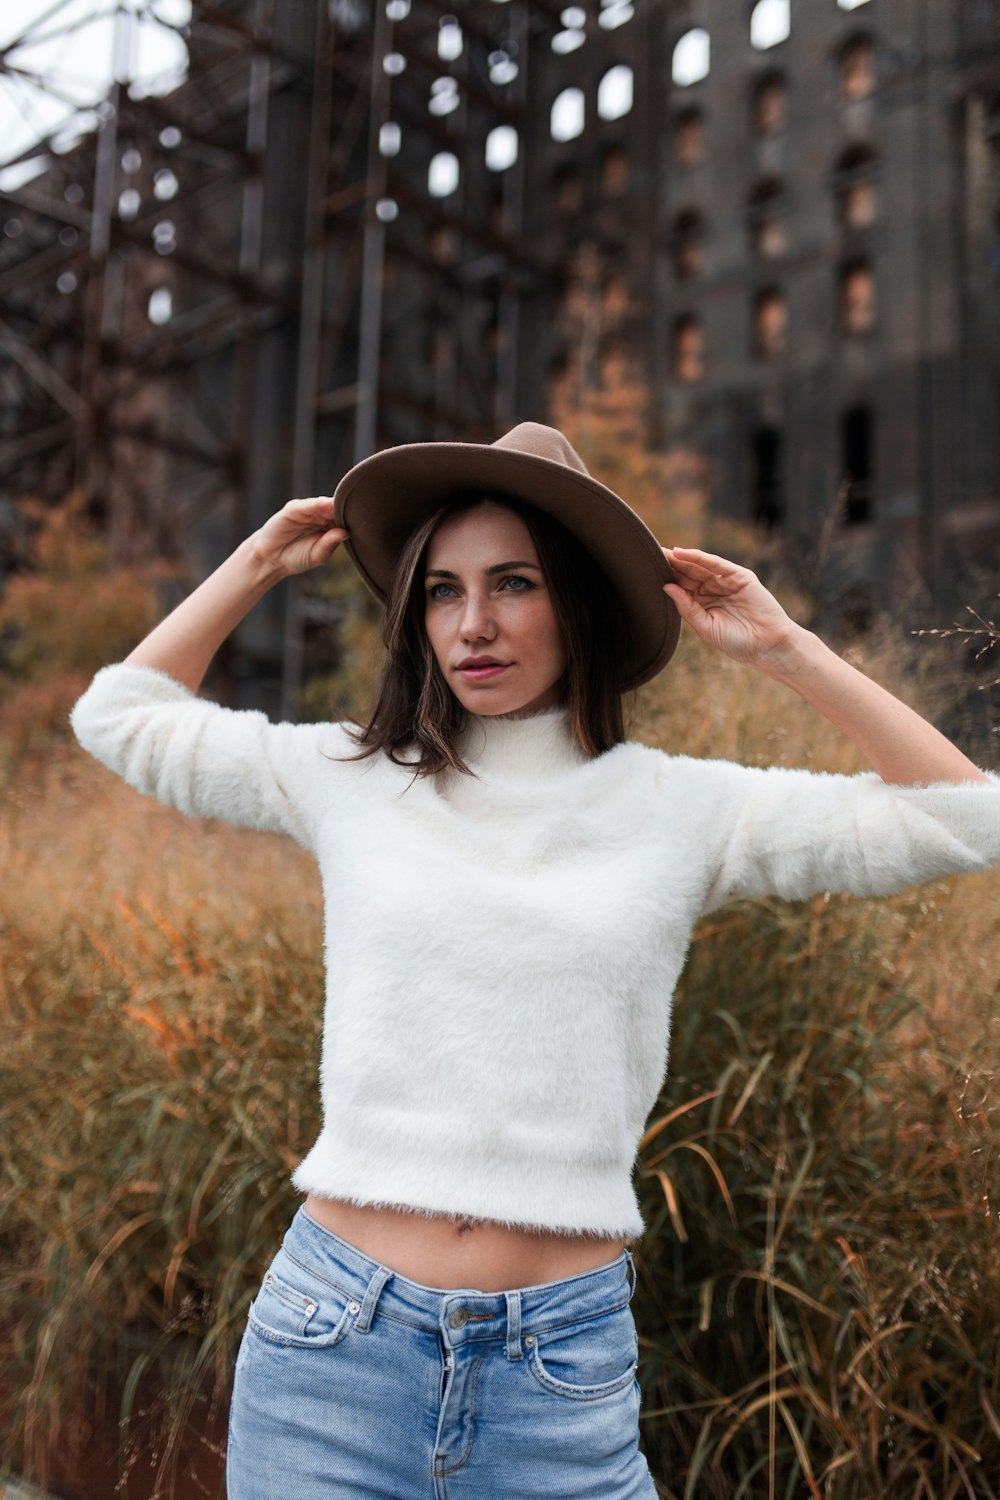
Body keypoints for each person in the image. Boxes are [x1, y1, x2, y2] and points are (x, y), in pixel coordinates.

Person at [69, 421, 1000, 1500]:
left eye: (513, 584)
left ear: (579, 602)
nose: (473, 625)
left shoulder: (682, 807)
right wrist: (256, 564)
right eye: (441, 591)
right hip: (331, 1349)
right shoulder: (349, 776)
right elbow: (119, 718)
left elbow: (967, 821)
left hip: (556, 1376)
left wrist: (785, 651)